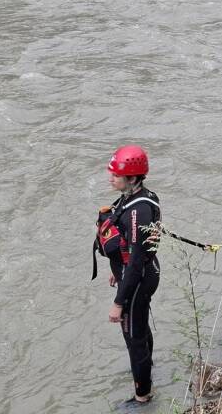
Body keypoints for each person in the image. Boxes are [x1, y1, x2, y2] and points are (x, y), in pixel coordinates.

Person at [96, 145, 162, 410]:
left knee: (134, 338)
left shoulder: (138, 211)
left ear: (133, 178)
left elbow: (135, 263)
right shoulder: (135, 196)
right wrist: (116, 271)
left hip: (138, 278)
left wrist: (118, 302)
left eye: (116, 175)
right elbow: (130, 249)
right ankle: (147, 368)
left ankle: (143, 398)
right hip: (140, 273)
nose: (110, 178)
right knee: (140, 327)